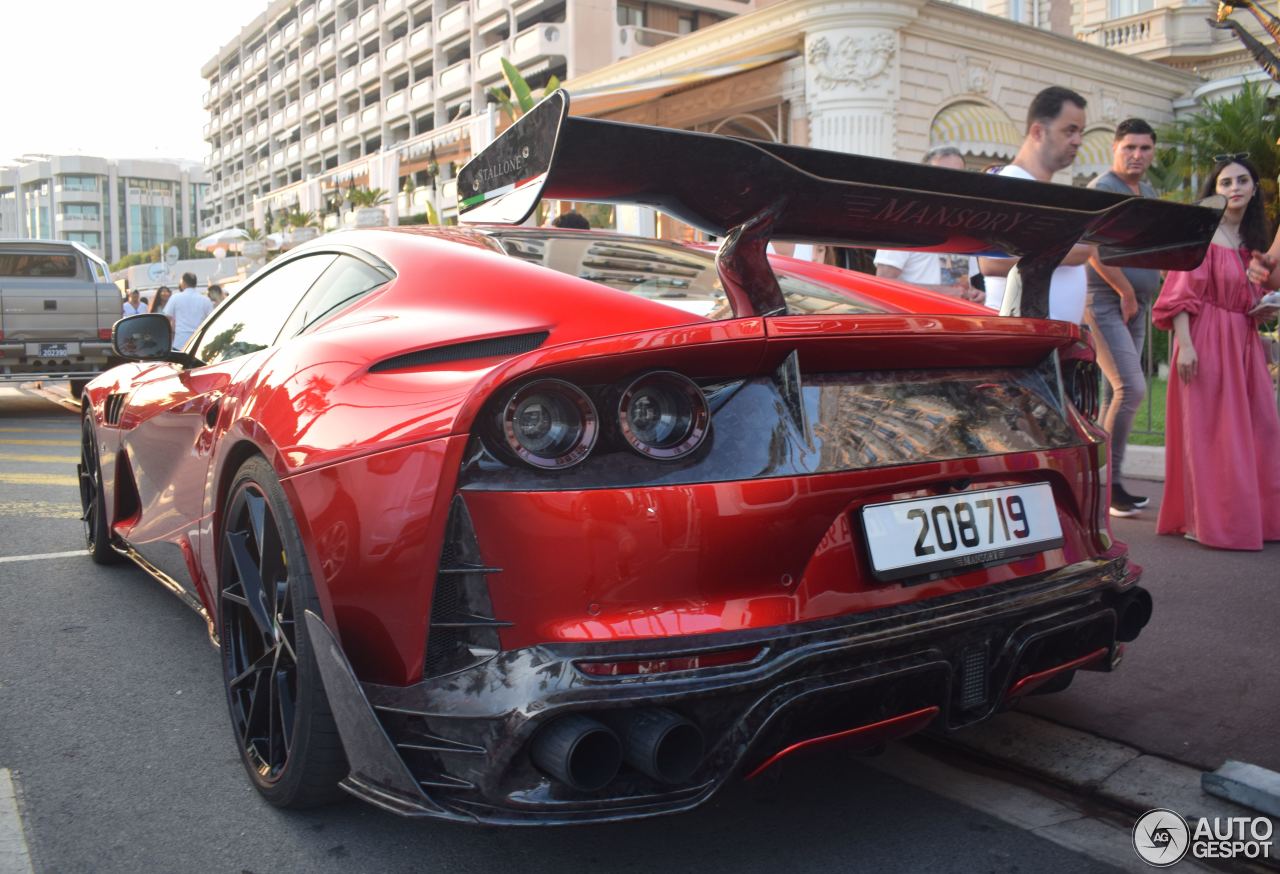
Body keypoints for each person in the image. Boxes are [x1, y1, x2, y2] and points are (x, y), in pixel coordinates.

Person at [1152, 155, 1280, 550]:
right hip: (1204, 339)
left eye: (1242, 181)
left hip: (1242, 340)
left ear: (1255, 188)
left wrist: (1265, 306)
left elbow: (1249, 298)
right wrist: (1186, 348)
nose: (1235, 188)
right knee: (1209, 434)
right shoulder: (1203, 237)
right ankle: (1206, 522)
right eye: (1225, 183)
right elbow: (1177, 297)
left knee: (1263, 429)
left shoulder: (1251, 244)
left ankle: (1253, 520)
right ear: (1214, 191)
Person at [1084, 119, 1163, 517]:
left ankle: (1104, 481)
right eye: (1129, 147)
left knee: (1118, 394)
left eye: (1145, 148)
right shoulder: (1103, 188)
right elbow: (1092, 246)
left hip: (1136, 305)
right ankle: (1107, 485)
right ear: (1115, 147)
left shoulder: (1147, 191)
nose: (1137, 155)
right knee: (1130, 389)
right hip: (1105, 302)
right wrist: (1125, 290)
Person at [980, 86, 1093, 323]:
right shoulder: (1009, 184)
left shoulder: (1043, 192)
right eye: (1070, 131)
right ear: (1038, 131)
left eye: (1081, 132)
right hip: (1018, 341)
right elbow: (991, 263)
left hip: (1050, 341)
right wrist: (1069, 252)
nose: (1078, 141)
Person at [874, 146, 984, 302]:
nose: (953, 183)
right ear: (925, 179)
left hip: (957, 322)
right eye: (943, 176)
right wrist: (938, 293)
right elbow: (882, 284)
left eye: (959, 176)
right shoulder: (903, 222)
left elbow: (962, 287)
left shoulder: (964, 226)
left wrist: (975, 295)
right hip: (917, 322)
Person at [163, 271, 213, 350]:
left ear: (183, 283)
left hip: (180, 343)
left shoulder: (175, 298)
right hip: (199, 343)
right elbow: (211, 319)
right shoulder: (205, 300)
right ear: (195, 283)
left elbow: (166, 318)